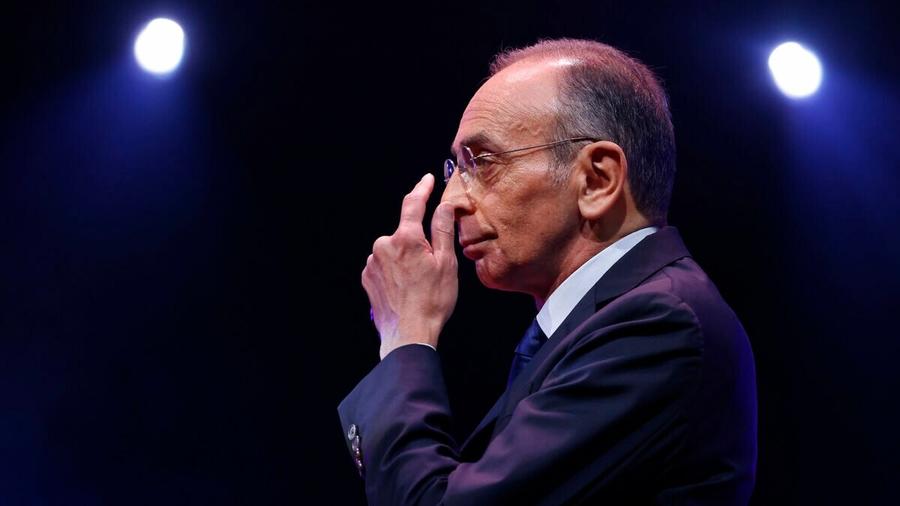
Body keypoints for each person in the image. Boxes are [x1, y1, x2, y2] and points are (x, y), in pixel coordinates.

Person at [338, 38, 757, 505]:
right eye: (456, 167)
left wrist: (408, 337)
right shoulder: (609, 323)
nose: (452, 200)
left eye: (482, 162)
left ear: (597, 180)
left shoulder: (660, 325)